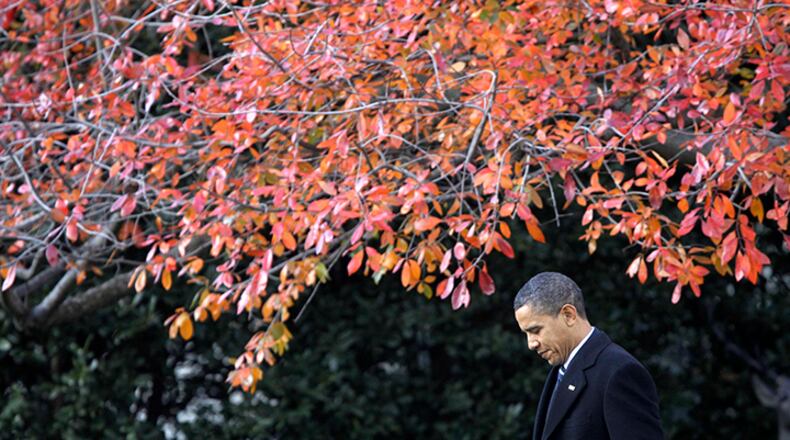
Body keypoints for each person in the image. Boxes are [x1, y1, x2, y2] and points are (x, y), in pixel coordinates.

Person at [513, 272, 664, 440]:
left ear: (568, 315)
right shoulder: (560, 372)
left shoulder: (619, 372)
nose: (531, 344)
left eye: (535, 331)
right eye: (526, 333)